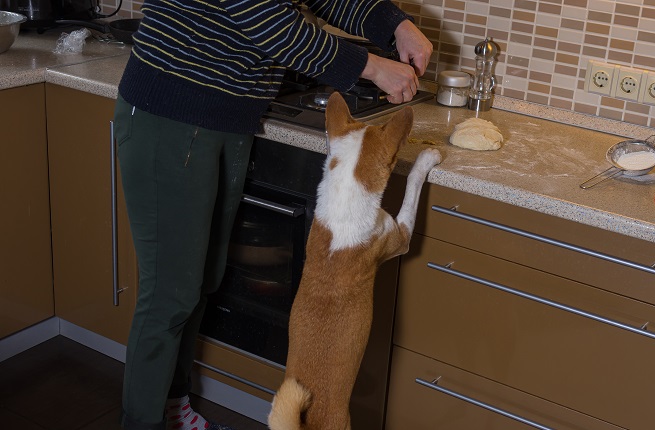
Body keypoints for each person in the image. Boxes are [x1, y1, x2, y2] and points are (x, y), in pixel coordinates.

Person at [111, 0, 433, 427]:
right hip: (171, 112)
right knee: (170, 295)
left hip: (230, 119)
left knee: (200, 282)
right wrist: (372, 67)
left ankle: (174, 412)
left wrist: (397, 26)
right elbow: (266, 18)